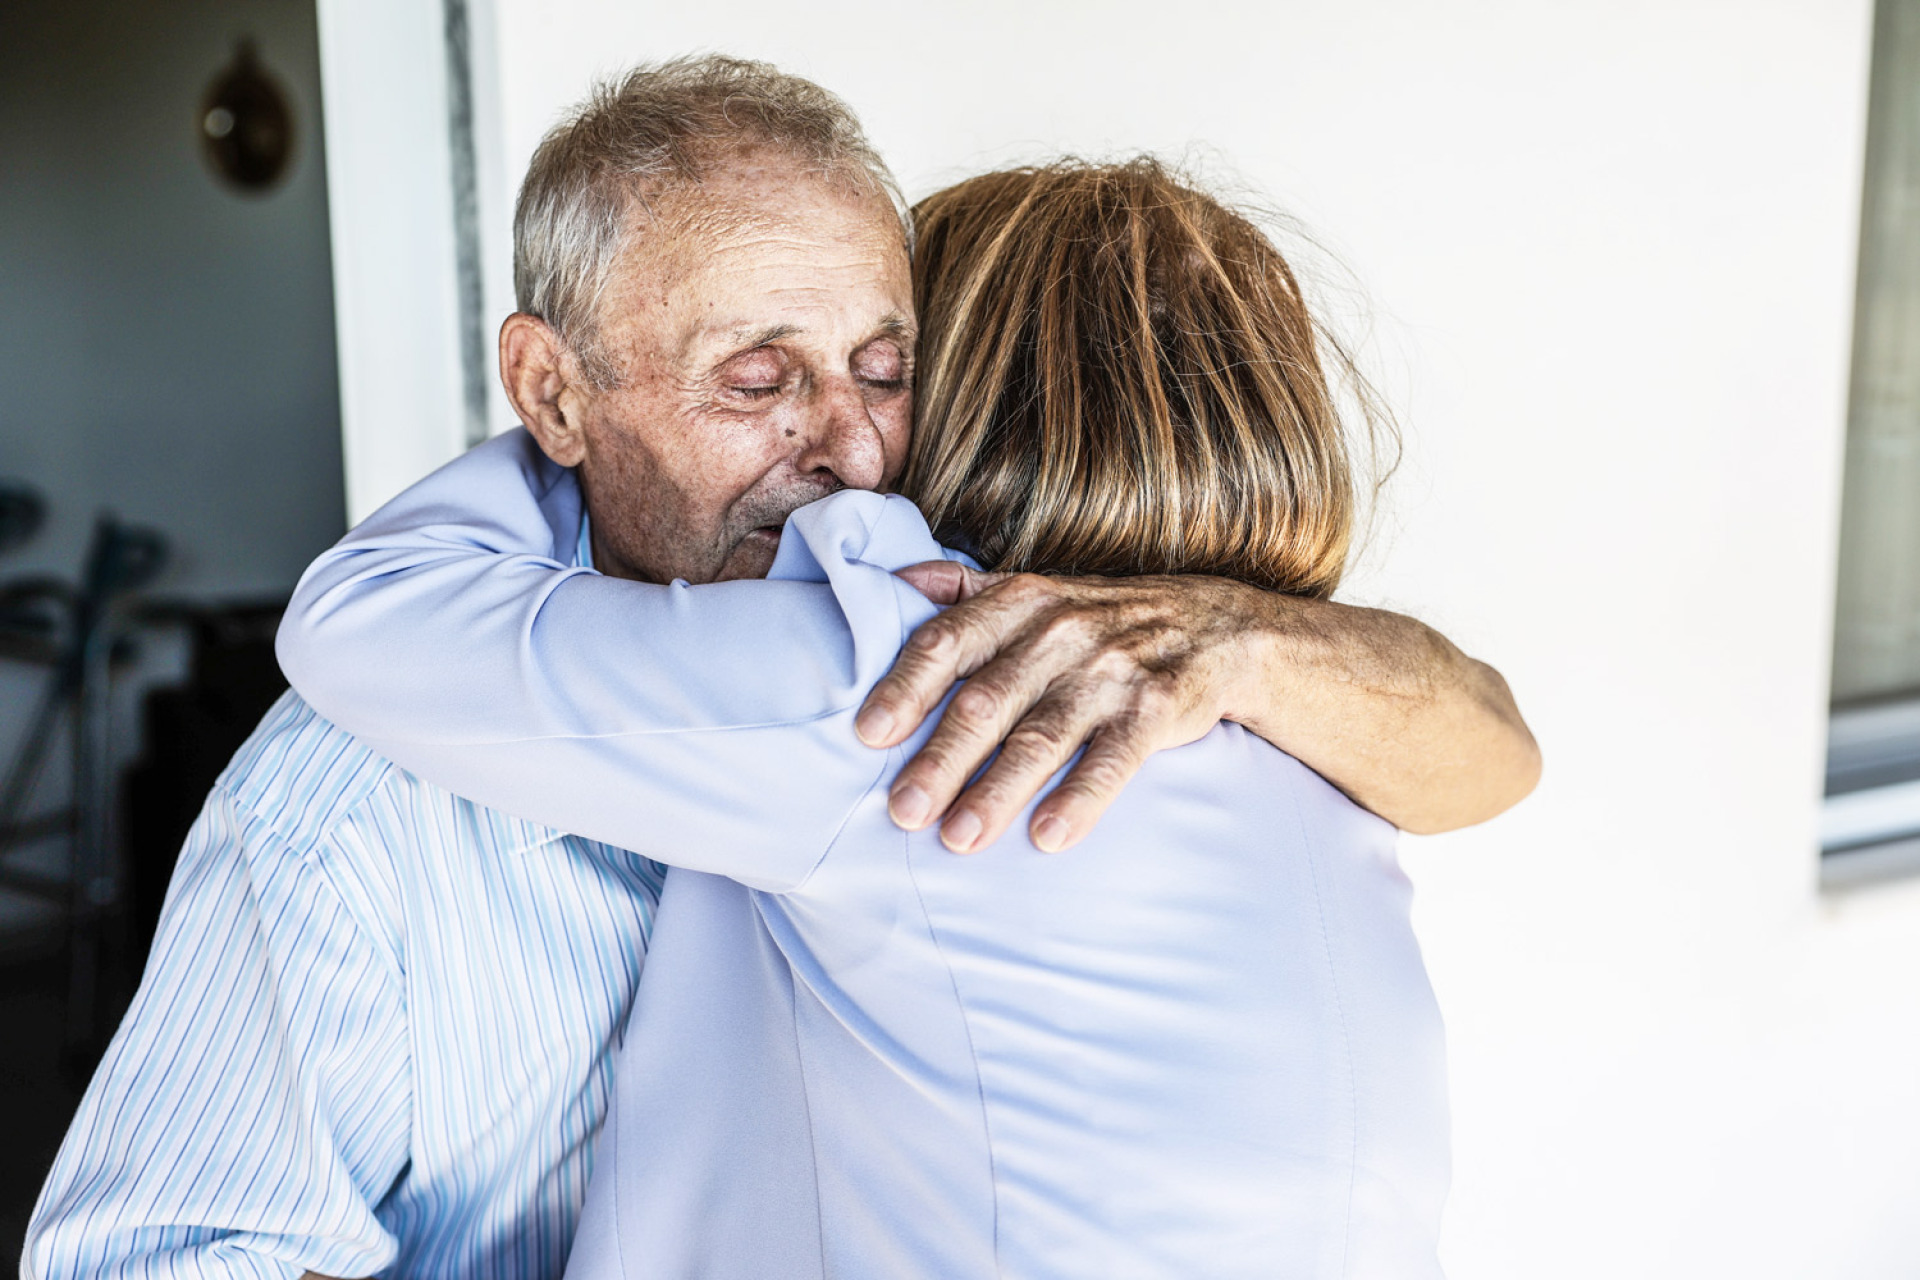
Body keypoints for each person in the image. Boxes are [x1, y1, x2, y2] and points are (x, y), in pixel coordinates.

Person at [24, 57, 1534, 1280]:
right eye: (756, 379)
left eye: (888, 373)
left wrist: (1258, 637)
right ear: (553, 387)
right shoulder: (364, 793)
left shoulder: (982, 683)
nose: (846, 449)